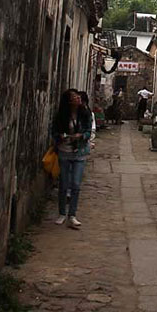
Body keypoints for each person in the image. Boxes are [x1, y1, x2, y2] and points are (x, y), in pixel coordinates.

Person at [52, 88, 92, 229]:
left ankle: (72, 214)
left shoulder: (85, 113)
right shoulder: (61, 116)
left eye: (78, 97)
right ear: (69, 101)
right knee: (64, 184)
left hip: (79, 152)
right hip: (64, 151)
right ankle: (62, 213)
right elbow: (54, 132)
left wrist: (81, 136)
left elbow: (88, 131)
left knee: (75, 184)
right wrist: (61, 137)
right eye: (75, 97)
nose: (78, 99)